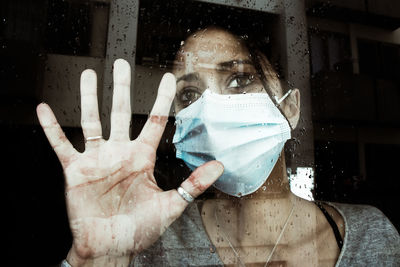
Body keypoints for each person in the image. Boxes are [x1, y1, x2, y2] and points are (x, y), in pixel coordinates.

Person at [36, 26, 399, 267]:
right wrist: (91, 260)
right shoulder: (149, 240)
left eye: (239, 79)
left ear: (289, 108)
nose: (212, 108)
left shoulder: (371, 235)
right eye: (191, 94)